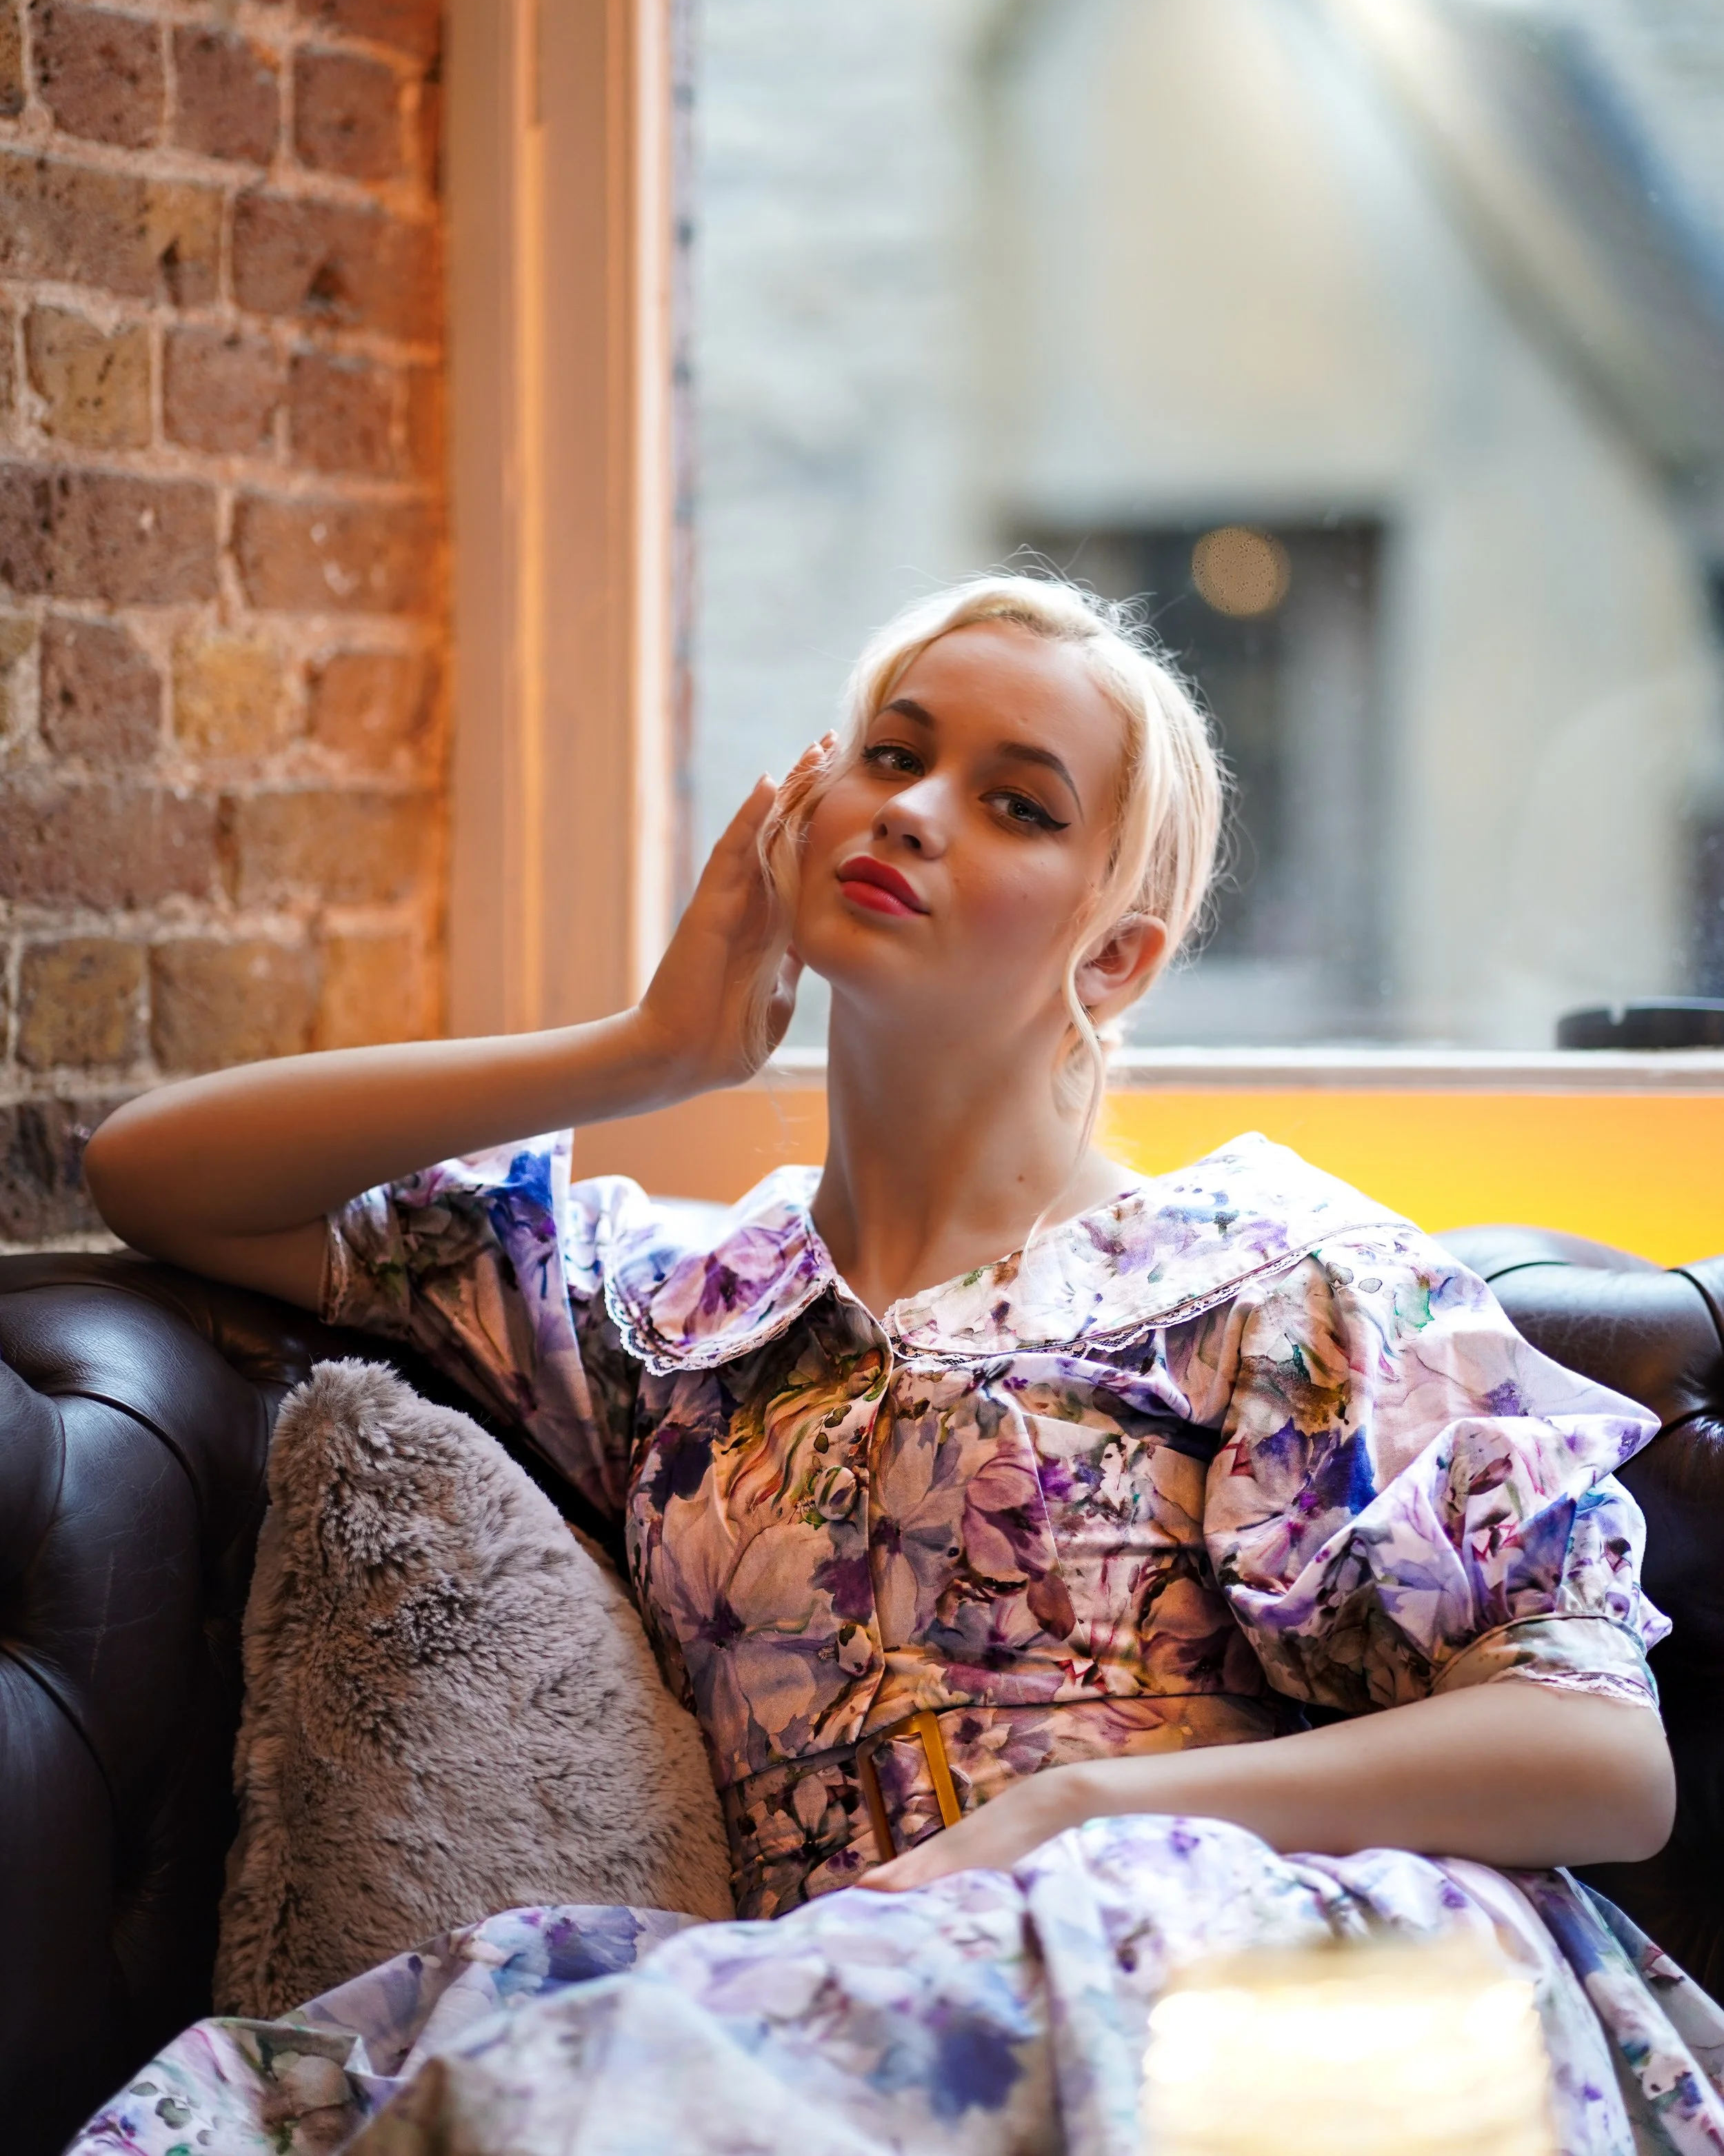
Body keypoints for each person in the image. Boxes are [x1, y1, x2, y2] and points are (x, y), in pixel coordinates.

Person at [71, 575, 1722, 2156]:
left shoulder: (1268, 1277)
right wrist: (649, 1050)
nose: (916, 809)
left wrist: (1073, 1822)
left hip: (1240, 1986)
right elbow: (156, 1171)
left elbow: (1594, 1753)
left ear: (1116, 956)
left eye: (1017, 803)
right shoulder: (666, 1308)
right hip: (835, 2018)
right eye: (891, 752)